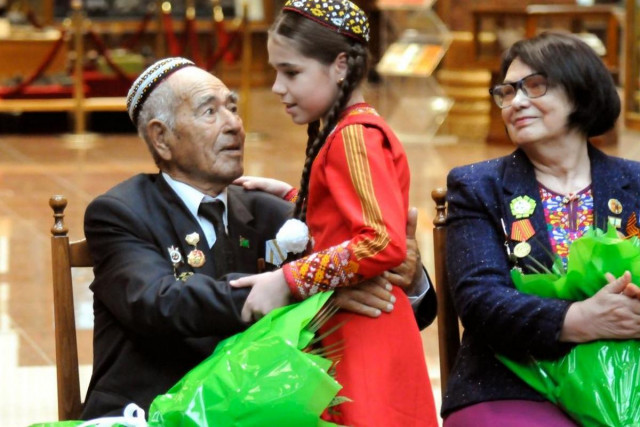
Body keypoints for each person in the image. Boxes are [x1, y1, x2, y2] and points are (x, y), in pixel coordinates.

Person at [81, 57, 435, 419]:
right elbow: (161, 303)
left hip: (261, 412)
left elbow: (374, 284)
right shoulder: (121, 212)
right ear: (162, 138)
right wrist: (298, 290)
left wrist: (406, 276)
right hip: (149, 410)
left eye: (233, 108)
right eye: (209, 112)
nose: (234, 125)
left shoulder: (274, 213)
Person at [229, 1, 438, 425]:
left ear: (340, 66)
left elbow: (381, 242)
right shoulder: (347, 132)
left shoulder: (354, 136)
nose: (277, 87)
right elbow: (349, 220)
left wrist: (289, 280)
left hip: (366, 335)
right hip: (353, 326)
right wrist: (297, 197)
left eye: (291, 72)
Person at [443, 31, 640, 426]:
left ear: (581, 92)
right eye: (507, 92)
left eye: (533, 86)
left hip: (627, 375)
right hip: (511, 378)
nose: (516, 102)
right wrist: (578, 319)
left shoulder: (634, 183)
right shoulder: (477, 186)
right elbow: (480, 301)